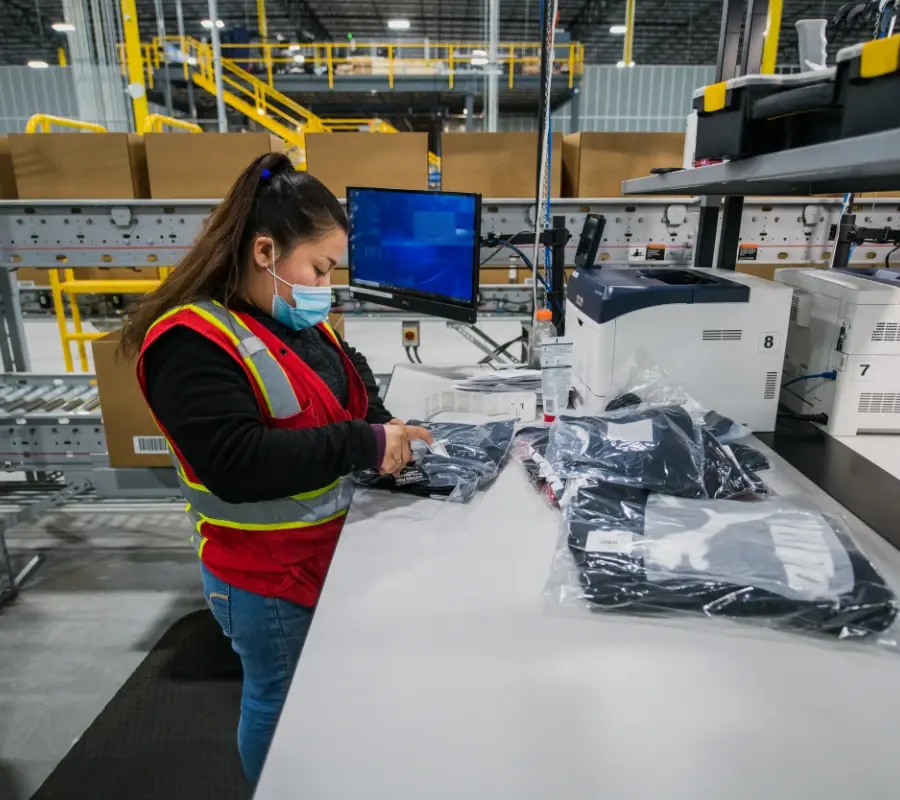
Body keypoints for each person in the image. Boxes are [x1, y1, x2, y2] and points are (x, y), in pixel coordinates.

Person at [120, 153, 432, 785]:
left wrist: (391, 431)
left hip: (323, 556)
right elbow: (236, 463)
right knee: (280, 702)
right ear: (265, 251)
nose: (326, 283)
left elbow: (353, 398)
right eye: (319, 267)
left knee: (320, 704)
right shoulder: (193, 342)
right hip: (264, 577)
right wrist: (363, 443)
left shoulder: (301, 322)